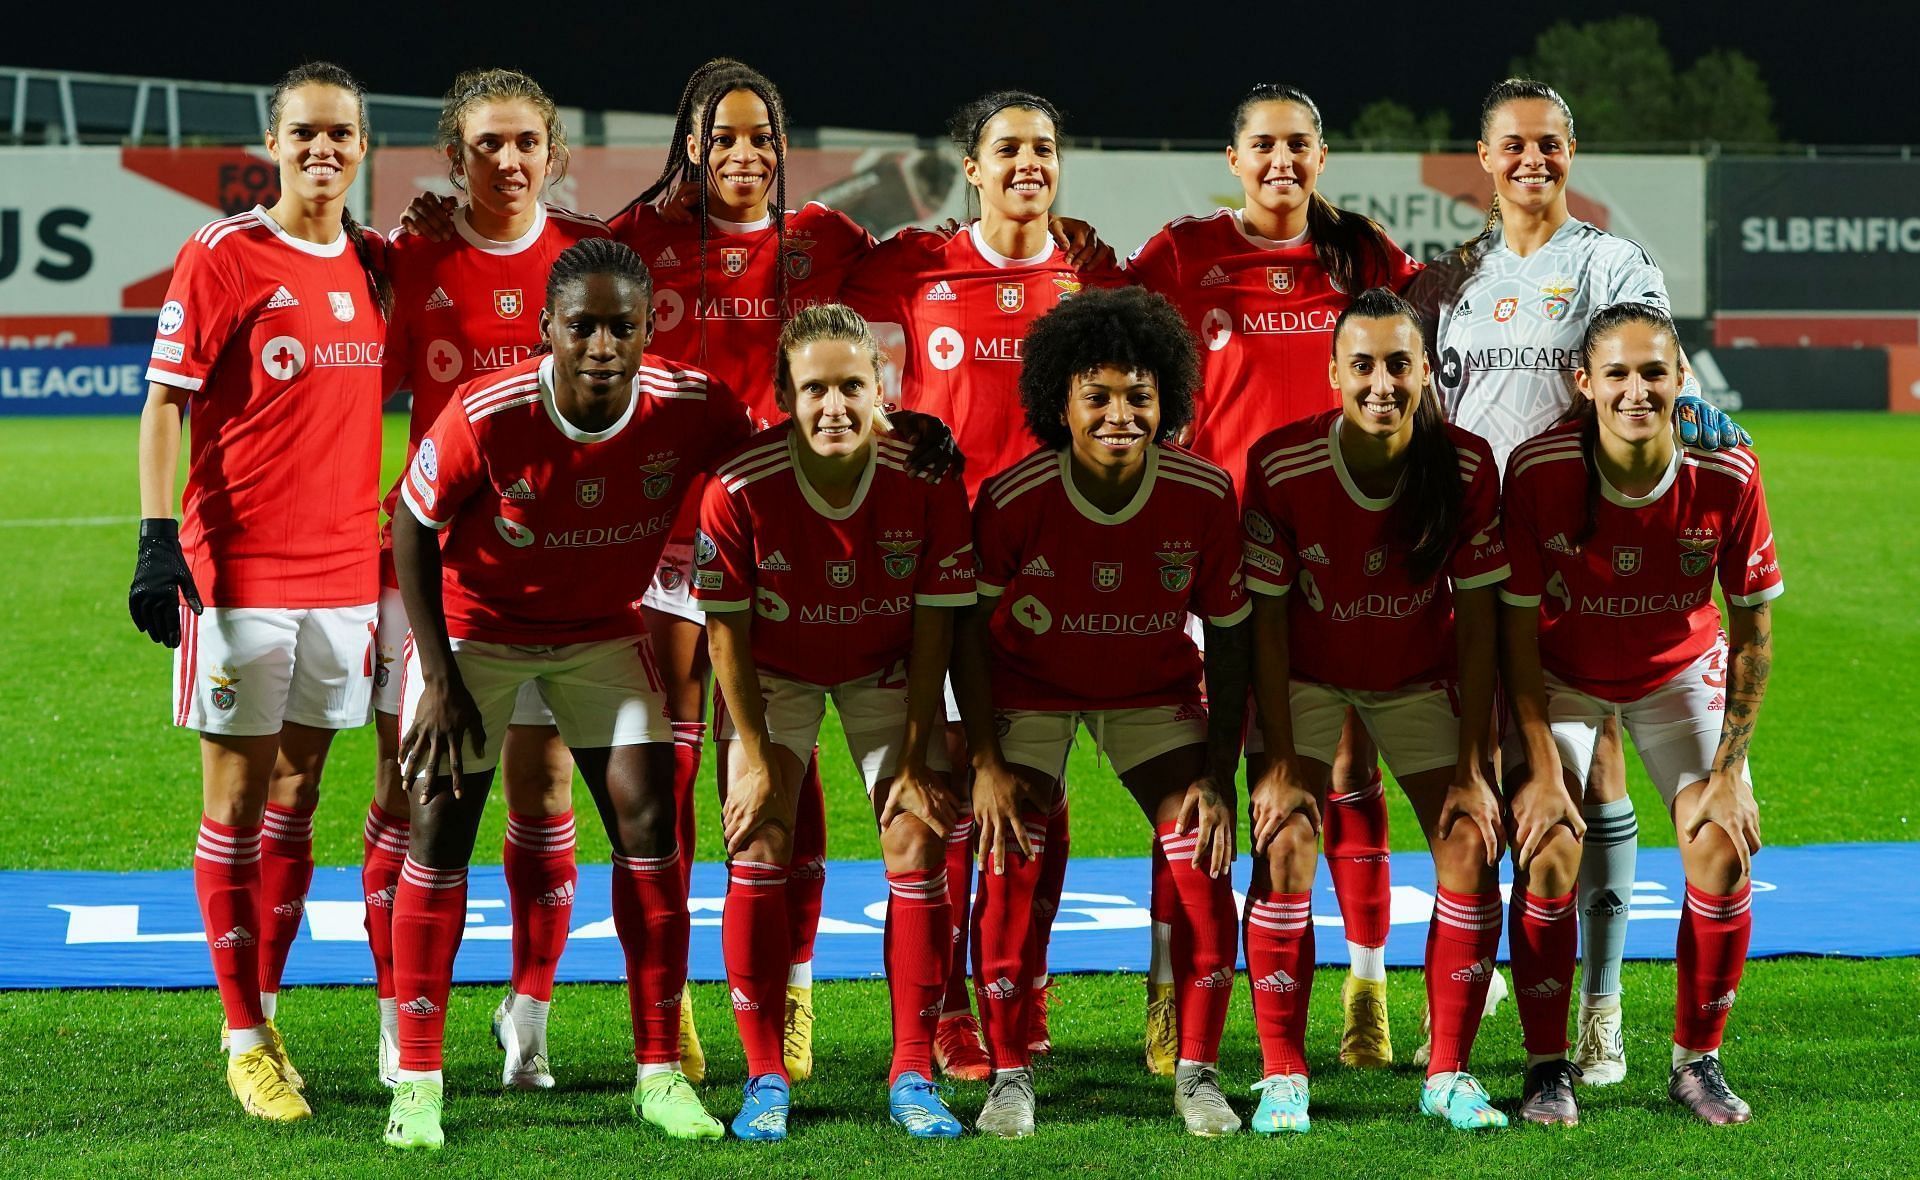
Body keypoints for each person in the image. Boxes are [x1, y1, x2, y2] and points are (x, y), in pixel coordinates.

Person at [1407, 77, 1750, 1081]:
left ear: (1571, 150)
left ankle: (1599, 1008)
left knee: (1588, 775)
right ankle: (1473, 982)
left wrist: (1715, 431)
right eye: (1513, 144)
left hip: (1582, 559)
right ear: (1483, 155)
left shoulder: (1609, 262)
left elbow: (1649, 376)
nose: (1532, 160)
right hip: (1474, 558)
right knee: (1485, 781)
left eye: (1550, 144)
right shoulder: (1449, 283)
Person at [382, 239, 751, 1150]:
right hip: (479, 629)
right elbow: (411, 525)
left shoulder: (694, 405)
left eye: (620, 325)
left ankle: (660, 1075)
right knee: (440, 826)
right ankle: (419, 1086)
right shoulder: (487, 412)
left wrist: (897, 435)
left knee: (650, 826)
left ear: (646, 327)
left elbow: (769, 470)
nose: (600, 344)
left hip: (598, 634)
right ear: (545, 327)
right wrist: (435, 676)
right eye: (579, 325)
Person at [1126, 82, 1424, 1074]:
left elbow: (1436, 339)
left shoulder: (1364, 254)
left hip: (1343, 556)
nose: (1282, 161)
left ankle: (1367, 990)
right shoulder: (1181, 256)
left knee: (1344, 775)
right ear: (1232, 157)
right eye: (1264, 145)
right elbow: (1112, 354)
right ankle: (1174, 990)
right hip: (1211, 562)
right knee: (1199, 782)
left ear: (1324, 156)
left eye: (1300, 144)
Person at [841, 89, 1127, 1079]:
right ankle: (946, 1015)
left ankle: (1023, 982)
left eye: (1044, 147)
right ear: (971, 168)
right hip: (947, 575)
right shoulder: (915, 266)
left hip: (1061, 572)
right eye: (1007, 149)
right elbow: (822, 343)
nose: (1028, 164)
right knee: (951, 793)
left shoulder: (1092, 276)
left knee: (1042, 795)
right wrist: (883, 430)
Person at [129, 60, 390, 1124]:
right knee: (233, 805)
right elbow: (164, 402)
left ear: (362, 147)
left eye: (340, 133)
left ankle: (267, 1010)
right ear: (272, 143)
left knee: (297, 795)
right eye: (304, 133)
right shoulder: (224, 252)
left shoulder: (373, 263)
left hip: (346, 574)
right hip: (241, 576)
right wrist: (156, 537)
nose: (322, 149)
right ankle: (240, 1037)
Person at [955, 286, 1250, 1138]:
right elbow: (968, 634)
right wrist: (984, 762)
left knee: (1204, 862)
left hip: (1154, 694)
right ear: (1060, 404)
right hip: (1032, 690)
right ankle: (1009, 1077)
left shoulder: (1204, 494)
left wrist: (1218, 775)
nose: (1120, 413)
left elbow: (1230, 641)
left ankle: (1197, 1072)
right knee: (1009, 865)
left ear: (1169, 401)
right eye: (1098, 396)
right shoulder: (1014, 498)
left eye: (1139, 395)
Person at [368, 65, 609, 1092]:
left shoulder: (591, 265)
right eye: (485, 145)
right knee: (410, 787)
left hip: (554, 579)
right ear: (452, 157)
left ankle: (531, 1014)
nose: (507, 162)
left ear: (554, 155)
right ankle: (398, 1016)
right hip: (424, 574)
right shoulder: (409, 257)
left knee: (543, 790)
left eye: (525, 144)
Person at [694, 304, 977, 1141]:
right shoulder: (738, 489)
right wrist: (753, 757)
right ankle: (763, 1078)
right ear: (784, 393)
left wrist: (919, 752)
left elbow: (936, 627)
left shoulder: (924, 479)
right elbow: (726, 636)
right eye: (814, 388)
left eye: (852, 386)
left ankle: (913, 1072)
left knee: (916, 834)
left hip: (885, 667)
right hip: (773, 671)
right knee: (760, 836)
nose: (834, 406)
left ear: (881, 389)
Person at [1498, 302, 1780, 1127]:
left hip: (1678, 672)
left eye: (1654, 373)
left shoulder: (1728, 473)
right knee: (1548, 843)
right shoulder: (1539, 471)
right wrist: (1543, 772)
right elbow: (1514, 628)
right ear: (1584, 384)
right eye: (1616, 374)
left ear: (1681, 380)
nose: (1636, 391)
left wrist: (1729, 775)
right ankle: (1548, 1067)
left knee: (1723, 844)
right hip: (1564, 674)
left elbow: (1755, 631)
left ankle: (1697, 1063)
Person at [1239, 288, 1511, 1134]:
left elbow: (1479, 628)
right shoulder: (1281, 464)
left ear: (1427, 372)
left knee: (1471, 839)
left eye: (1400, 364)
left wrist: (1474, 770)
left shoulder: (1466, 465)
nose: (1382, 382)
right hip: (1310, 679)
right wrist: (1281, 767)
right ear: (1332, 374)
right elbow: (1270, 628)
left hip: (1421, 679)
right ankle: (1284, 1072)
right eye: (1363, 366)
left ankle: (1449, 1075)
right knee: (1284, 839)